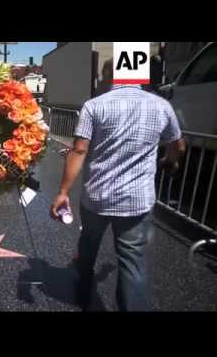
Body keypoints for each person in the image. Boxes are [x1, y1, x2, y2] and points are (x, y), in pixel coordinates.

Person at [50, 81, 186, 312]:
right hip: (137, 200)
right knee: (132, 262)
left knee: (89, 242)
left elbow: (80, 149)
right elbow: (178, 145)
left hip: (97, 197)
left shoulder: (94, 106)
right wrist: (169, 161)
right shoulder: (162, 106)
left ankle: (83, 282)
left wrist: (63, 192)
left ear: (111, 77)